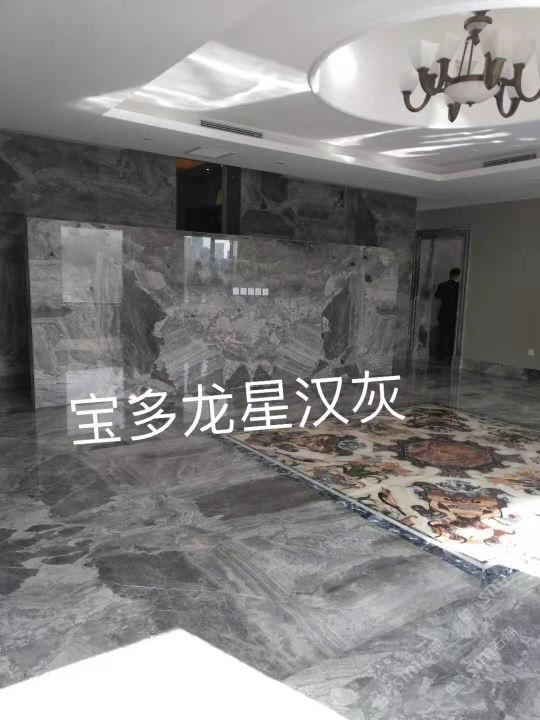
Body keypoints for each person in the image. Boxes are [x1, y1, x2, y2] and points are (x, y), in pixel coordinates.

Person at [434, 267, 460, 364]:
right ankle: (450, 358)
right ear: (458, 276)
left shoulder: (442, 285)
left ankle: (439, 357)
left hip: (443, 314)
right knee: (452, 337)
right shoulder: (459, 287)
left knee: (442, 336)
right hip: (454, 315)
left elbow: (437, 296)